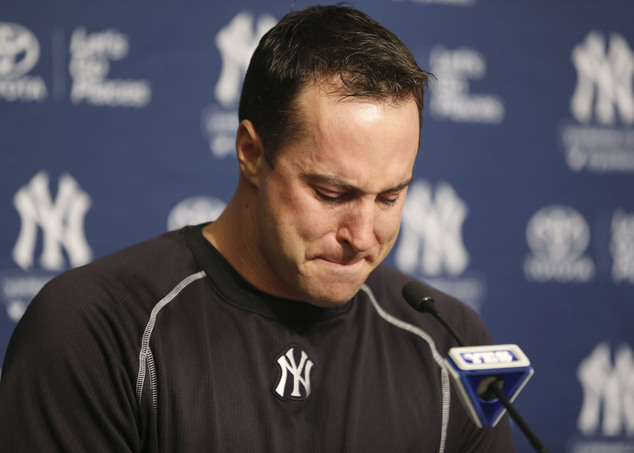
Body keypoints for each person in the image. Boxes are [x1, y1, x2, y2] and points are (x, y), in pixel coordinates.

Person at [0, 5, 515, 452]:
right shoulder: (98, 332)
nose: (361, 236)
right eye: (332, 194)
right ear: (251, 152)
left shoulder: (449, 343)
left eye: (390, 197)